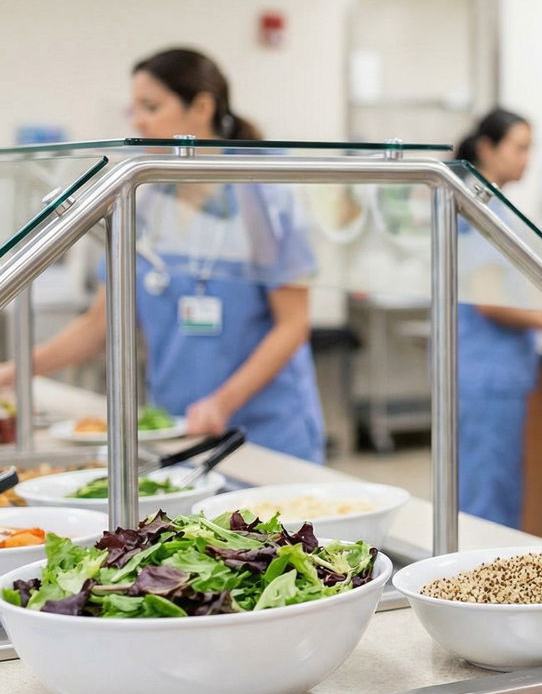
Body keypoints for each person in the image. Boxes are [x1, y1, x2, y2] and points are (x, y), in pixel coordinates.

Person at [0, 47, 327, 462]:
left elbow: (293, 326)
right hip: (176, 430)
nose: (138, 121)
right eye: (133, 108)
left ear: (203, 106)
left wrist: (223, 402)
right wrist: (14, 372)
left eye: (151, 107)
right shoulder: (144, 200)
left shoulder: (265, 196)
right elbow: (99, 325)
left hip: (265, 434)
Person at [453, 108, 542, 527]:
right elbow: (489, 302)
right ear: (487, 148)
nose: (527, 159)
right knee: (487, 498)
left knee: (487, 486)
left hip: (484, 371)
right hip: (488, 375)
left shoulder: (489, 206)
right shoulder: (484, 210)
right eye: (519, 148)